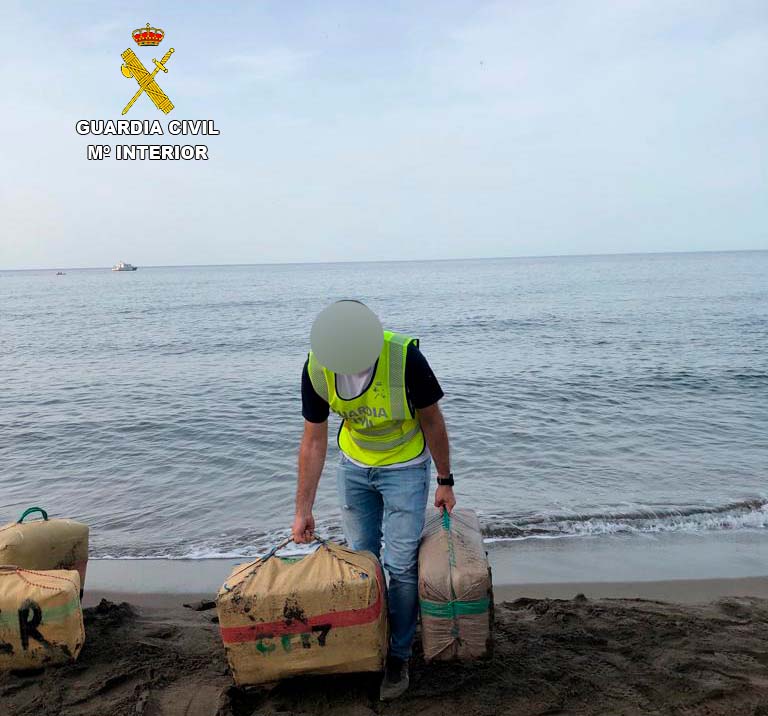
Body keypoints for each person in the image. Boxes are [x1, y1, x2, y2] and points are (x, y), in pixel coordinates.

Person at [292, 299, 456, 701]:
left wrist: (445, 481)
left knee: (399, 565)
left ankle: (398, 656)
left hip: (404, 466)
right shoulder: (317, 366)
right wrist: (303, 510)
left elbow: (432, 420)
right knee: (362, 559)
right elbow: (313, 440)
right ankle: (369, 638)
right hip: (354, 466)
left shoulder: (405, 358)